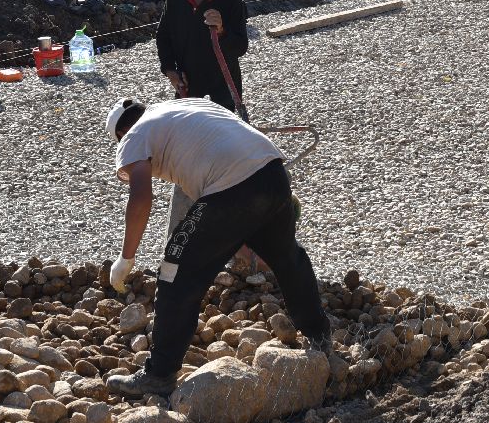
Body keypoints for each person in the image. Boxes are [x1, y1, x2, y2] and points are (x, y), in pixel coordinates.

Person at [103, 96, 331, 398]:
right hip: (273, 173)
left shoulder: (134, 135)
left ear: (121, 133)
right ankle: (320, 339)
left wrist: (126, 256)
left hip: (232, 189)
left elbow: (141, 196)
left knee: (175, 270)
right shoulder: (187, 107)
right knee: (287, 256)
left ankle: (159, 374)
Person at [156, 0, 250, 114]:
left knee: (223, 130)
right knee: (189, 129)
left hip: (223, 80)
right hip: (188, 80)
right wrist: (170, 70)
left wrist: (222, 30)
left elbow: (241, 47)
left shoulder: (231, 1)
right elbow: (163, 36)